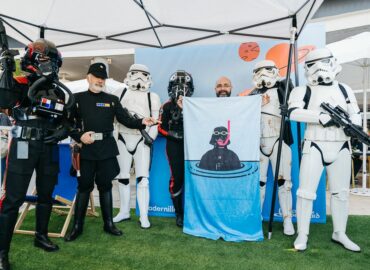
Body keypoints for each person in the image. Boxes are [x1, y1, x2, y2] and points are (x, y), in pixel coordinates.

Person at [0, 39, 74, 270]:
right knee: (14, 197)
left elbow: (68, 121)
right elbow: (4, 100)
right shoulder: (20, 83)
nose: (49, 66)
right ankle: (2, 252)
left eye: (53, 62)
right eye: (45, 60)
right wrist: (6, 70)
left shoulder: (58, 92)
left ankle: (41, 235)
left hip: (49, 146)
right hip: (23, 143)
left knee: (46, 193)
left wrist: (62, 132)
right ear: (32, 59)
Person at [65, 63, 158, 242]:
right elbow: (67, 123)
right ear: (88, 78)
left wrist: (143, 122)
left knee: (106, 186)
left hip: (106, 149)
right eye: (96, 76)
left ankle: (108, 224)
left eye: (102, 78)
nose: (100, 80)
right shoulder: (76, 99)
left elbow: (126, 120)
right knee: (84, 188)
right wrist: (78, 136)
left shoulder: (112, 100)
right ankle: (77, 226)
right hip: (86, 150)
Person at [288, 48, 361, 252]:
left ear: (333, 62)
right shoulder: (302, 90)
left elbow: (355, 112)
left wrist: (353, 123)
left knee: (341, 193)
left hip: (342, 145)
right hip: (315, 143)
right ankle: (302, 233)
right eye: (314, 64)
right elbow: (293, 112)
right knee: (305, 192)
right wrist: (319, 117)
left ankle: (340, 232)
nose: (320, 68)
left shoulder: (345, 89)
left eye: (324, 62)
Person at [249, 60, 295, 236]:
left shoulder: (284, 88)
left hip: (279, 139)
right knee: (259, 182)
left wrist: (287, 107)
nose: (263, 75)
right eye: (258, 72)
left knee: (284, 182)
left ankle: (287, 219)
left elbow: (296, 105)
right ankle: (257, 218)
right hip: (259, 142)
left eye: (266, 70)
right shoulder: (253, 95)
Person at [113, 64, 161, 228]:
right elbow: (113, 119)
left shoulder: (152, 97)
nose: (139, 77)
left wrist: (150, 139)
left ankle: (144, 215)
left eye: (143, 74)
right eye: (135, 73)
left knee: (143, 179)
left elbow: (155, 122)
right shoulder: (120, 93)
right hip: (122, 137)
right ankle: (124, 211)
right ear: (129, 75)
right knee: (123, 176)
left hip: (142, 140)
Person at [158, 70, 194, 227]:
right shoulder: (166, 106)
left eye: (184, 85)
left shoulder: (195, 105)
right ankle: (179, 213)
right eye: (177, 85)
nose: (180, 89)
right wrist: (172, 134)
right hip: (173, 145)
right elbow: (160, 127)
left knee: (194, 177)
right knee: (177, 177)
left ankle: (194, 211)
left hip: (192, 144)